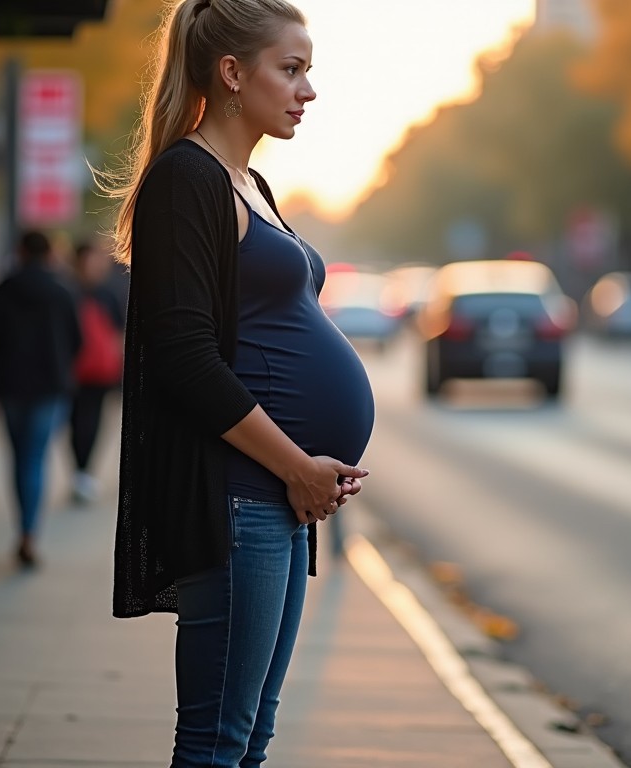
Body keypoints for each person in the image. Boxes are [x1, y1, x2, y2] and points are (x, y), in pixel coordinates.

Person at [102, 1, 373, 765]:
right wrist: (295, 465)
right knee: (218, 740)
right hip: (238, 497)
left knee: (250, 737)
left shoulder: (247, 180)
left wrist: (300, 478)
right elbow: (185, 357)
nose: (307, 91)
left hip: (278, 501)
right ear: (230, 73)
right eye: (290, 70)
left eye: (307, 72)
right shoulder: (186, 180)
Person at [0, 230, 83, 567]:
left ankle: (22, 530)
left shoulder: (4, 289)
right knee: (36, 457)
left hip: (9, 385)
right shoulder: (61, 290)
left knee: (19, 456)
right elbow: (76, 340)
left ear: (22, 251)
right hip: (49, 387)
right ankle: (29, 535)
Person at [69, 239, 125, 504]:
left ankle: (83, 471)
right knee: (77, 421)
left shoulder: (108, 293)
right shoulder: (69, 292)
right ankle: (81, 470)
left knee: (91, 420)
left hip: (99, 372)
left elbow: (119, 333)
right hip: (71, 370)